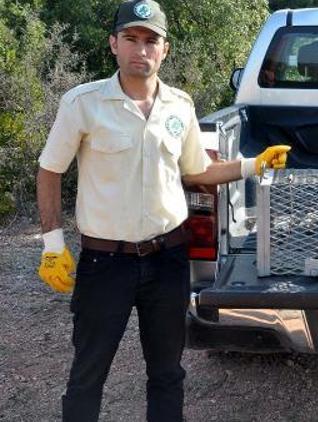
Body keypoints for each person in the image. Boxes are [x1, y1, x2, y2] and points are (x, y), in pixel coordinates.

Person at [35, 1, 289, 420]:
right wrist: (51, 244)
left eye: (151, 40)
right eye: (131, 39)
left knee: (168, 374)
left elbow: (198, 172)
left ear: (164, 49)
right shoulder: (83, 103)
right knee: (87, 375)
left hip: (169, 260)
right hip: (106, 263)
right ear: (113, 44)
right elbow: (49, 170)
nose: (141, 49)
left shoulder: (179, 105)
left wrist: (253, 163)